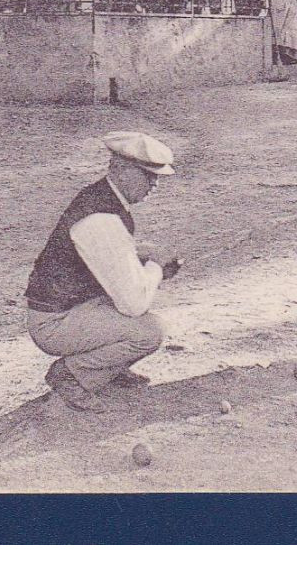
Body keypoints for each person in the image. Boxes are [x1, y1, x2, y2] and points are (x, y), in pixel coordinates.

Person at [24, 131, 181, 412]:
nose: (154, 183)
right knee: (150, 331)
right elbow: (134, 303)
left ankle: (108, 367)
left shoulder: (102, 198)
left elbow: (105, 258)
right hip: (54, 323)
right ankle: (73, 374)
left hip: (72, 307)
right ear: (119, 169)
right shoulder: (102, 217)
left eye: (155, 176)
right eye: (146, 175)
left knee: (131, 312)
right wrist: (156, 264)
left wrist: (145, 257)